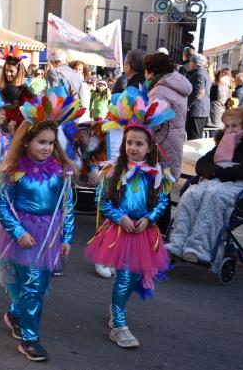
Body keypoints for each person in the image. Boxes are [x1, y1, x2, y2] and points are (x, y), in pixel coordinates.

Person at [0, 94, 82, 362]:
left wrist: (67, 237)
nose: (47, 148)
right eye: (42, 142)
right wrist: (18, 232)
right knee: (30, 284)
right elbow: (2, 206)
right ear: (27, 141)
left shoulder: (61, 171)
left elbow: (67, 206)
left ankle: (16, 313)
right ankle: (30, 339)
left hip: (49, 234)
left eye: (51, 143)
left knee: (36, 286)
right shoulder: (14, 170)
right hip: (22, 232)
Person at [84, 86, 174, 349]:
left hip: (144, 232)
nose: (133, 148)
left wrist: (150, 218)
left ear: (149, 148)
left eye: (139, 143)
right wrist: (119, 217)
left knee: (135, 277)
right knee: (124, 276)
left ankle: (116, 308)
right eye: (129, 143)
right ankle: (119, 324)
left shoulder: (155, 173)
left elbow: (162, 201)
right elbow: (102, 201)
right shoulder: (113, 171)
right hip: (120, 232)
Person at [167, 107, 243, 268]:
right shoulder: (225, 142)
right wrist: (214, 171)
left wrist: (232, 172)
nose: (229, 130)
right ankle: (177, 242)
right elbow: (202, 163)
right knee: (191, 193)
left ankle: (201, 248)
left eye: (234, 126)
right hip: (221, 181)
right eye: (227, 126)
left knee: (215, 195)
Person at [144, 52, 192, 181]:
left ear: (152, 72)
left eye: (146, 71)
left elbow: (153, 123)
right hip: (174, 139)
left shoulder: (161, 91)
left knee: (160, 182)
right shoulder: (177, 84)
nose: (145, 76)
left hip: (162, 144)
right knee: (167, 180)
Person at [186, 53, 211, 140]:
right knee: (195, 136)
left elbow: (199, 93)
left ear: (194, 63)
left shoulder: (199, 74)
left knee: (194, 137)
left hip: (197, 110)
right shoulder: (203, 72)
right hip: (200, 110)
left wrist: (187, 105)